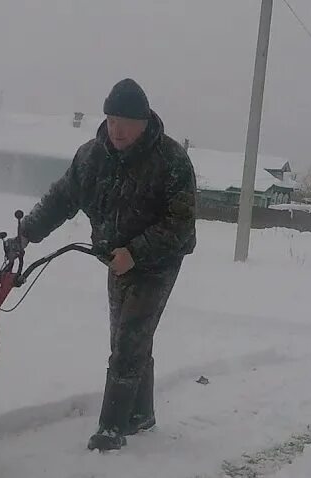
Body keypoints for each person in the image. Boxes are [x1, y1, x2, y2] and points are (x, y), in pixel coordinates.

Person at [11, 78, 197, 451]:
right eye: (112, 120)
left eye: (126, 122)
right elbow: (61, 198)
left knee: (129, 339)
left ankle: (111, 430)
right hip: (115, 259)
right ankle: (141, 415)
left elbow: (180, 223)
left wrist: (137, 252)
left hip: (157, 260)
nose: (118, 129)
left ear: (144, 122)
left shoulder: (171, 160)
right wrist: (26, 233)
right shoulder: (91, 156)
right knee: (127, 337)